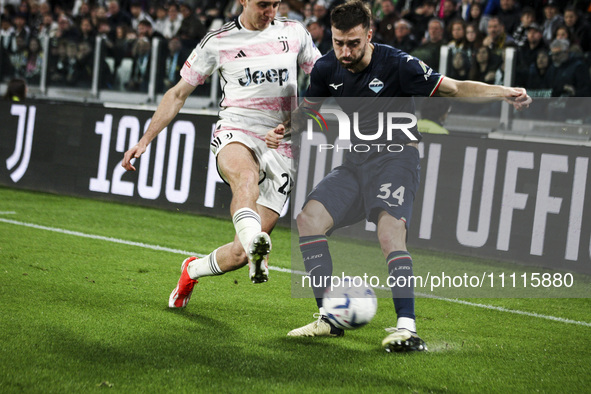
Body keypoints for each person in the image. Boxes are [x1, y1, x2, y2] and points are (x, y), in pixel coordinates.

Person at [266, 0, 530, 352]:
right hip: (356, 162)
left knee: (390, 232)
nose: (345, 52)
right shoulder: (327, 68)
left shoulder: (398, 64)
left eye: (354, 43)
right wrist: (286, 129)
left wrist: (503, 93)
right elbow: (307, 113)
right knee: (308, 219)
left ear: (369, 35)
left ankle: (408, 327)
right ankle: (329, 318)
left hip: (396, 159)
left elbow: (453, 88)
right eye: (338, 43)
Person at [121, 0, 320, 307]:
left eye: (275, 5)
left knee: (240, 254)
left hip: (283, 144)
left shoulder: (295, 33)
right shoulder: (218, 41)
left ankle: (192, 269)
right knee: (245, 177)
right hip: (237, 130)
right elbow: (177, 94)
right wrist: (145, 139)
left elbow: (325, 80)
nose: (270, 12)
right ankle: (257, 243)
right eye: (263, 4)